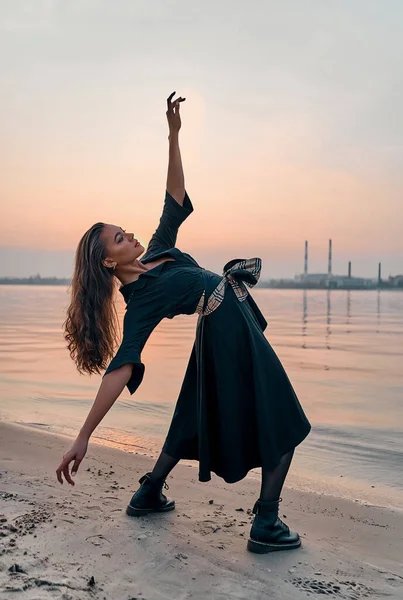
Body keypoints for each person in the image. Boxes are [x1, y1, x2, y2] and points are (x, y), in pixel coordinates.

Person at [56, 91, 312, 554]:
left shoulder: (155, 253)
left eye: (123, 230)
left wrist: (173, 136)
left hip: (221, 326)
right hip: (228, 328)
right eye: (119, 238)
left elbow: (173, 199)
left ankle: (149, 491)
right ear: (109, 263)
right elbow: (121, 367)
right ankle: (267, 522)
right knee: (280, 413)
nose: (129, 234)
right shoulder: (141, 301)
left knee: (191, 415)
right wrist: (83, 435)